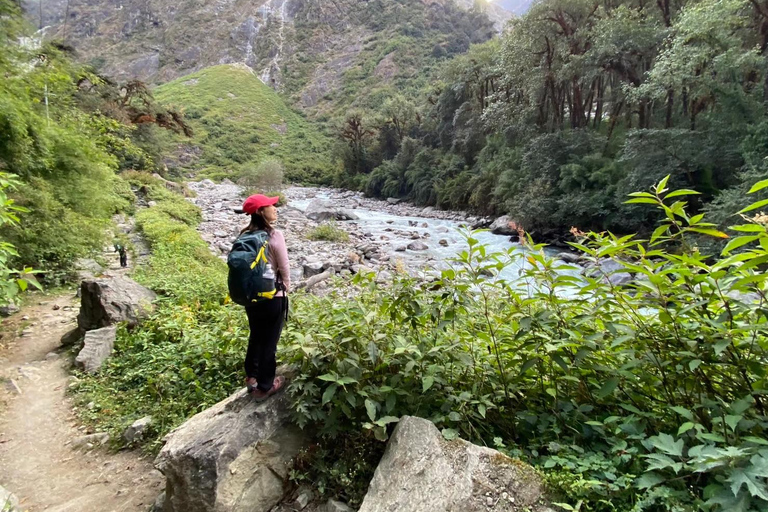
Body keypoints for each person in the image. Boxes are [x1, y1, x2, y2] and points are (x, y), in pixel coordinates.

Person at [235, 194, 290, 401]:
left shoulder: (244, 235)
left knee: (256, 335)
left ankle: (252, 377)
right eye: (270, 206)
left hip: (251, 297)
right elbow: (284, 266)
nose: (275, 208)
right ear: (260, 211)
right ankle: (265, 386)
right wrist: (286, 288)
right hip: (273, 296)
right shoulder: (275, 235)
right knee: (270, 341)